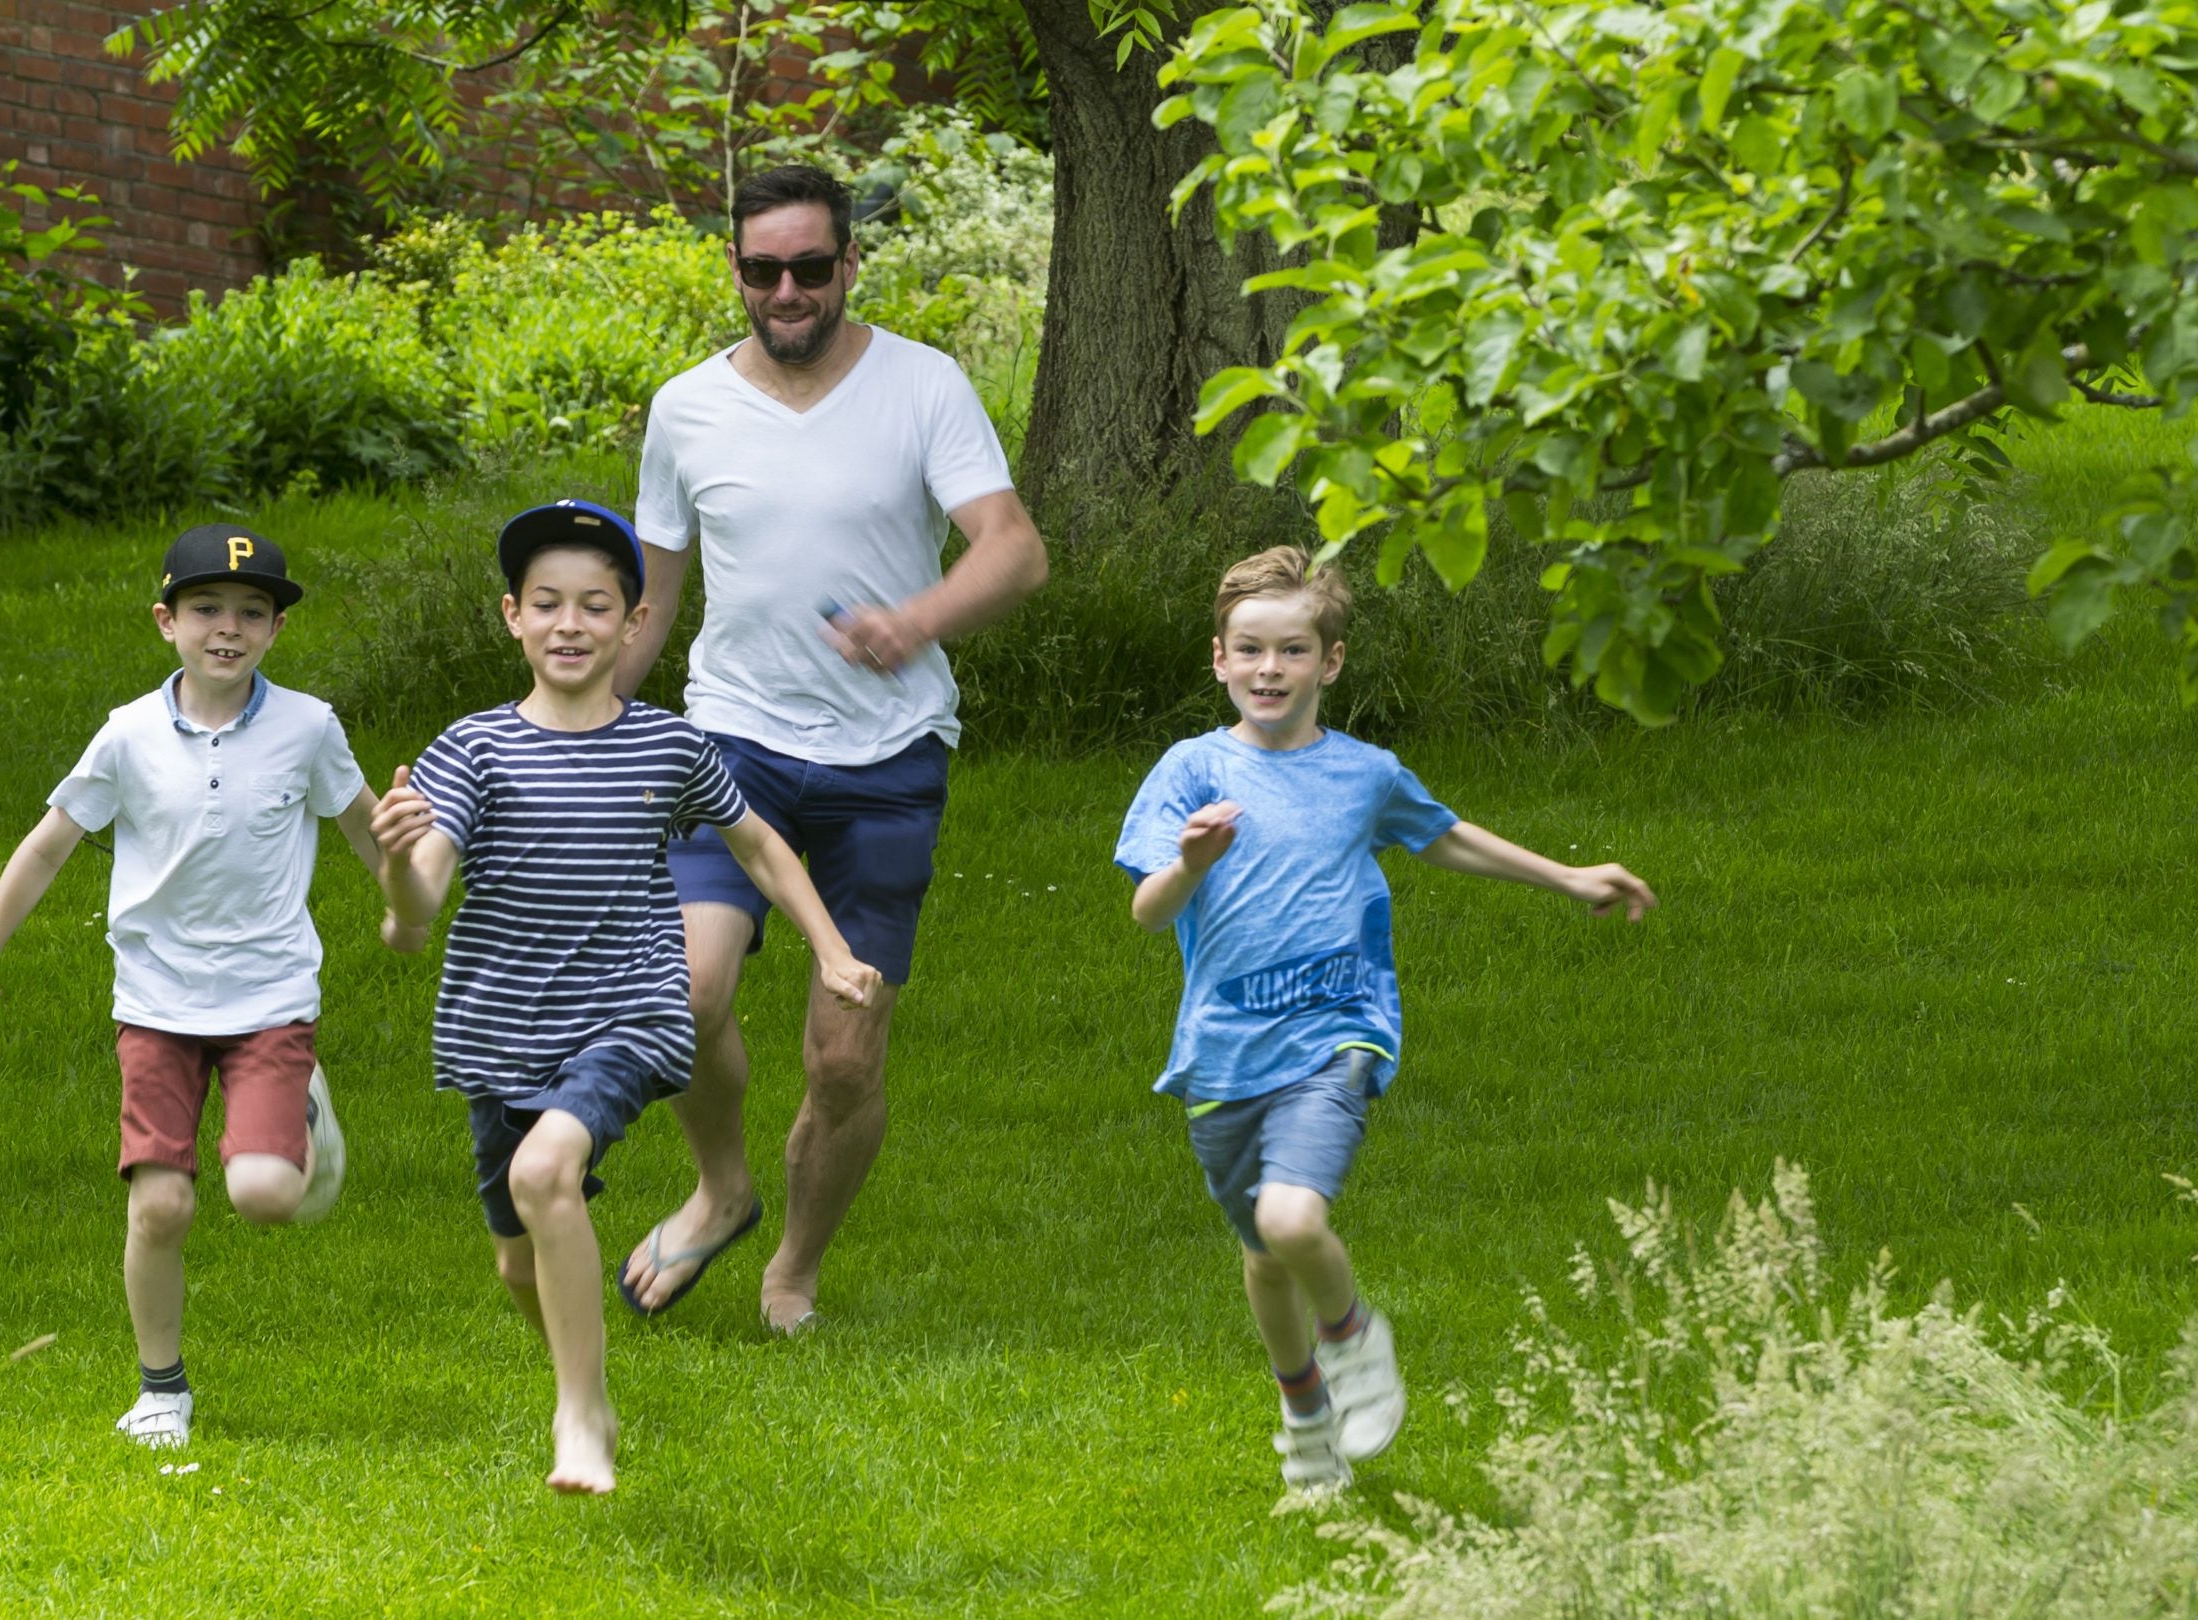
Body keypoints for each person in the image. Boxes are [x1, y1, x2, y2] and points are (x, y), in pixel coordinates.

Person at [1113, 545, 1657, 1493]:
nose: (1269, 670)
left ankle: (1354, 1337)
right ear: (1219, 659)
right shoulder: (1189, 772)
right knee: (1264, 1252)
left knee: (1291, 1217)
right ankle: (1305, 1408)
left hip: (1337, 1034)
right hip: (1222, 1053)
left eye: (1291, 651)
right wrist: (1192, 864)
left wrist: (1567, 877)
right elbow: (1148, 910)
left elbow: (1441, 834)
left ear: (1330, 662)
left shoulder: (1363, 775)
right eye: (1251, 651)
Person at [614, 163, 1050, 1334]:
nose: (790, 289)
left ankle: (795, 1266)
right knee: (688, 994)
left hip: (889, 757)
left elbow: (1013, 550)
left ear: (852, 263)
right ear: (738, 275)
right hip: (731, 741)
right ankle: (721, 1190)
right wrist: (560, 739)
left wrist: (914, 622)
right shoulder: (686, 408)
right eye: (765, 270)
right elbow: (649, 607)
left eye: (813, 266)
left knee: (845, 1058)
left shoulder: (924, 385)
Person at [370, 500, 882, 1494]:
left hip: (629, 1015)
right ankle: (588, 1385)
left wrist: (828, 947)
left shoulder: (669, 747)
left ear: (634, 624)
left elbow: (760, 846)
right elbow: (423, 895)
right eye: (548, 603)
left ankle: (580, 1420)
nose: (571, 624)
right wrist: (397, 871)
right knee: (519, 1265)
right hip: (502, 1032)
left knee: (543, 1173)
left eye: (595, 605)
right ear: (511, 616)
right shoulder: (474, 751)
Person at [0, 522, 387, 1450]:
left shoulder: (308, 726)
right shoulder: (128, 736)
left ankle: (299, 1110)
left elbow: (362, 826)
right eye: (207, 610)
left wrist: (409, 902)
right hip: (155, 1003)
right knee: (162, 1205)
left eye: (252, 613)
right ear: (166, 620)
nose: (229, 628)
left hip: (268, 998)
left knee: (264, 1196)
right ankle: (162, 1390)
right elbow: (47, 847)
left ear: (273, 630)